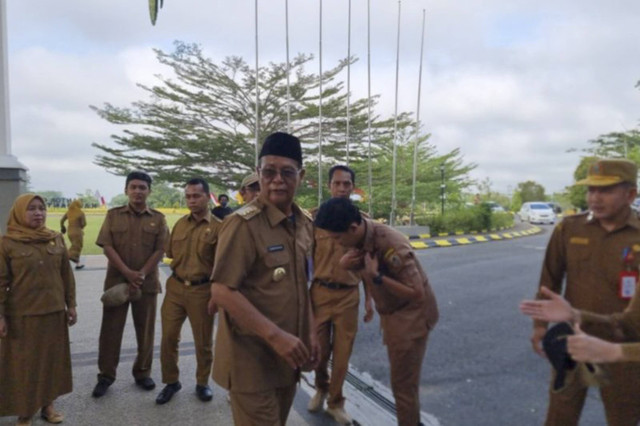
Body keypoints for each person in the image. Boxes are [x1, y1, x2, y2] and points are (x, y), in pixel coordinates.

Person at [208, 131, 319, 426]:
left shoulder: (304, 224)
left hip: (287, 358)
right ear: (259, 173)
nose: (277, 180)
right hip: (251, 361)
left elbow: (302, 285)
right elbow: (221, 291)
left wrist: (311, 333)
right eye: (269, 171)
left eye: (287, 172)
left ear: (301, 175)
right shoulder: (242, 225)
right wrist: (276, 336)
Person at [526, 158, 640, 426]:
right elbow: (549, 279)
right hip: (574, 338)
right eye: (591, 190)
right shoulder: (569, 228)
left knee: (623, 416)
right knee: (559, 415)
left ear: (630, 194)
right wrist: (540, 326)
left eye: (606, 190)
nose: (595, 198)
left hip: (623, 344)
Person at [314, 197, 439, 426]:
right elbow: (355, 262)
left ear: (352, 228)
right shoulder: (360, 237)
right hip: (393, 315)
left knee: (403, 388)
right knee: (402, 384)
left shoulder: (391, 244)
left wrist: (376, 277)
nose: (338, 244)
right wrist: (346, 263)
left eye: (338, 238)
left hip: (411, 317)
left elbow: (416, 292)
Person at [0, 194, 77, 426]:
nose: (38, 213)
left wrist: (71, 304)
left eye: (41, 208)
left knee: (52, 361)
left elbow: (66, 275)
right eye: (31, 209)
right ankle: (25, 411)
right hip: (22, 315)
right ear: (19, 213)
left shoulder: (55, 239)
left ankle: (48, 406)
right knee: (24, 364)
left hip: (53, 313)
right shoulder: (7, 243)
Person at [92, 171, 169, 398]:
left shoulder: (159, 218)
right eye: (133, 187)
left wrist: (141, 274)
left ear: (149, 191)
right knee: (110, 331)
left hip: (147, 284)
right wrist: (127, 272)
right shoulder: (113, 216)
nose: (138, 191)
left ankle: (142, 373)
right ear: (126, 190)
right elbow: (106, 245)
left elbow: (161, 249)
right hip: (117, 282)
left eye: (142, 187)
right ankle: (106, 375)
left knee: (145, 330)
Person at [307, 165, 373, 425]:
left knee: (343, 355)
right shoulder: (315, 220)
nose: (342, 188)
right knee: (319, 353)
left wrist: (369, 299)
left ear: (353, 188)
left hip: (348, 296)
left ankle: (336, 402)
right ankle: (321, 387)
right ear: (329, 186)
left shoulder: (362, 222)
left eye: (347, 184)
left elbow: (367, 264)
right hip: (320, 294)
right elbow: (305, 259)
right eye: (338, 184)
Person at [155, 178, 222, 405]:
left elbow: (222, 266)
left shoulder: (219, 227)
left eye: (196, 196)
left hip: (202, 290)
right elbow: (171, 251)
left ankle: (202, 383)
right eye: (188, 196)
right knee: (168, 338)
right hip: (175, 288)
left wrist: (216, 294)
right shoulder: (180, 225)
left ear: (207, 197)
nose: (191, 200)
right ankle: (171, 382)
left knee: (202, 341)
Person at [60, 199, 87, 270]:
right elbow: (83, 224)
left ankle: (78, 264)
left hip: (69, 231)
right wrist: (80, 228)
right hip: (77, 231)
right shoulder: (80, 213)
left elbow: (61, 220)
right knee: (77, 246)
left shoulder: (69, 212)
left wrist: (63, 227)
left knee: (75, 246)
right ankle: (66, 257)